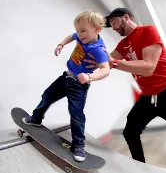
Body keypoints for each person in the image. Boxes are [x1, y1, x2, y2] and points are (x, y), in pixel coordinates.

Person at [84, 8, 166, 173]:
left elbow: (148, 68)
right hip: (149, 96)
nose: (114, 28)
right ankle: (141, 168)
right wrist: (85, 63)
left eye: (115, 22)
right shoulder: (123, 44)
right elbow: (105, 63)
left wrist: (114, 63)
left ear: (126, 17)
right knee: (130, 131)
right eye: (111, 26)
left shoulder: (148, 31)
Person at [21, 10, 110, 162]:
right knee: (47, 96)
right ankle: (36, 118)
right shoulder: (81, 36)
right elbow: (71, 36)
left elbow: (106, 69)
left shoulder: (98, 49)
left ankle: (79, 145)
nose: (79, 34)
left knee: (76, 115)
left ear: (97, 29)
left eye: (83, 31)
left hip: (79, 86)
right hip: (65, 77)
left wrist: (90, 76)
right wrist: (61, 44)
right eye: (78, 30)